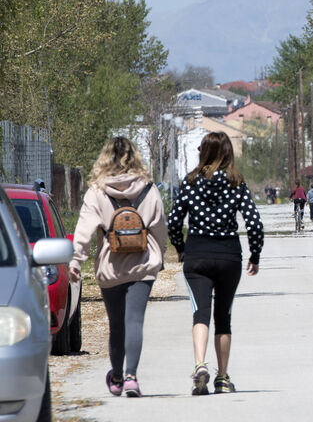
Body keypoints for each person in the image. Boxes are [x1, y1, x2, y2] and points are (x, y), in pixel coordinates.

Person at [69, 137, 167, 398]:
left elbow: (84, 231)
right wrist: (162, 254)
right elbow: (159, 227)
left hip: (110, 267)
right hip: (143, 265)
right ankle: (132, 377)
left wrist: (76, 260)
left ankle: (117, 377)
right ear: (135, 157)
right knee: (135, 320)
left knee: (117, 325)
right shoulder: (148, 189)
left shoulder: (96, 191)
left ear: (105, 158)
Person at [167, 131, 264, 395]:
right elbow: (254, 223)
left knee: (200, 313)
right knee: (224, 317)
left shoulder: (190, 182)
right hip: (228, 257)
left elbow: (174, 220)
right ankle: (222, 377)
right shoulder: (236, 182)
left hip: (197, 255)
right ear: (228, 153)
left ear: (203, 152)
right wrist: (255, 255)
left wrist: (181, 248)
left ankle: (200, 366)